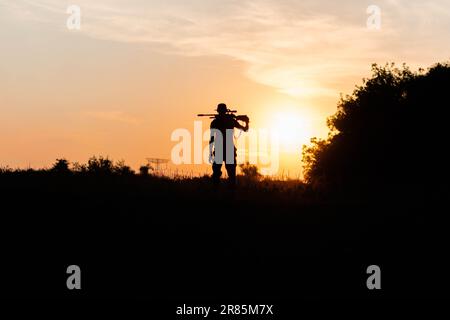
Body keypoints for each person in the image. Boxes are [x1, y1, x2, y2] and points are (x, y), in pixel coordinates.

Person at [209, 103, 249, 185]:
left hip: (219, 149)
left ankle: (216, 192)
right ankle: (230, 192)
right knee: (231, 175)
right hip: (229, 149)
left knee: (217, 174)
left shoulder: (215, 122)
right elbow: (245, 129)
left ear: (218, 111)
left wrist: (210, 152)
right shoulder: (230, 120)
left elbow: (212, 139)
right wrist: (246, 122)